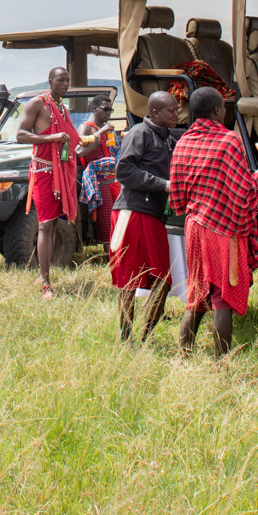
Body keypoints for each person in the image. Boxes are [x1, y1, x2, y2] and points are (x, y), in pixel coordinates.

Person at [169, 85, 258, 357]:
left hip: (195, 225)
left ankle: (183, 355)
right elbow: (244, 190)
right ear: (217, 110)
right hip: (223, 230)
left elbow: (176, 197)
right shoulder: (229, 141)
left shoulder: (183, 142)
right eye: (223, 106)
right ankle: (221, 363)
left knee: (197, 291)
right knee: (222, 298)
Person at [15, 65, 102, 299]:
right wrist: (50, 137)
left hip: (61, 172)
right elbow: (20, 134)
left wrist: (96, 139)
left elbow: (71, 146)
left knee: (53, 224)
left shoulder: (62, 109)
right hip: (44, 172)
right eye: (61, 80)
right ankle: (45, 282)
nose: (66, 84)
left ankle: (42, 274)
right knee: (44, 224)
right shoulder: (37, 104)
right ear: (50, 81)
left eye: (68, 81)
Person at [111, 89, 178, 342]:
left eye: (176, 109)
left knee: (163, 279)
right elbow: (124, 171)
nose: (176, 114)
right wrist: (163, 185)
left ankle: (145, 336)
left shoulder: (168, 138)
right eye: (171, 110)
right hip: (132, 213)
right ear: (155, 113)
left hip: (154, 216)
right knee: (129, 279)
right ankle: (126, 337)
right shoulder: (139, 133)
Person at [77, 93, 119, 247]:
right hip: (100, 182)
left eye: (110, 110)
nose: (108, 113)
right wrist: (100, 134)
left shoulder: (107, 130)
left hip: (113, 180)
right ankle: (112, 259)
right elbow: (78, 152)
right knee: (107, 225)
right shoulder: (86, 127)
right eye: (105, 109)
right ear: (94, 109)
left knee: (118, 221)